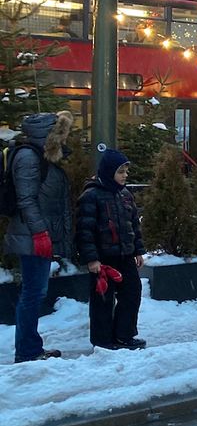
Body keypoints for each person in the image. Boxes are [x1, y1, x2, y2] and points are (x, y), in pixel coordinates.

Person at [6, 110, 74, 363]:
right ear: (49, 135)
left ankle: (30, 347)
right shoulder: (28, 157)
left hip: (35, 233)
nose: (65, 139)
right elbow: (26, 200)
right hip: (32, 235)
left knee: (35, 292)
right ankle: (27, 351)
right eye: (61, 134)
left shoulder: (41, 156)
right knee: (33, 293)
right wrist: (41, 234)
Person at [75, 149, 146, 350]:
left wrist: (137, 250)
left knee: (132, 293)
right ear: (108, 172)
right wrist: (92, 259)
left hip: (125, 255)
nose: (125, 175)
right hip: (103, 259)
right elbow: (85, 231)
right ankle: (103, 339)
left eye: (126, 171)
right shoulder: (91, 196)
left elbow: (133, 225)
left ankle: (124, 334)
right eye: (120, 171)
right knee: (103, 300)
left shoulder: (125, 195)